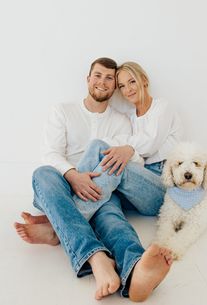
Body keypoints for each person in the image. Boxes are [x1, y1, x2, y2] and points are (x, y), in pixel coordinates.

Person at [14, 58, 173, 302]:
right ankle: (88, 247)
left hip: (102, 188)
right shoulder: (63, 110)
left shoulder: (122, 119)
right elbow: (50, 153)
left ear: (113, 88)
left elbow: (129, 160)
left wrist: (117, 158)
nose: (102, 82)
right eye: (97, 76)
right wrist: (73, 175)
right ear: (88, 79)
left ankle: (131, 270)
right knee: (42, 173)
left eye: (109, 78)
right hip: (66, 182)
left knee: (109, 215)